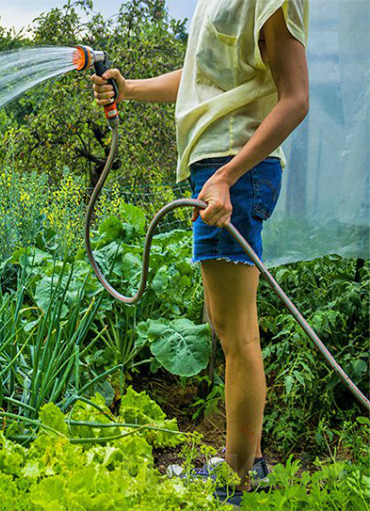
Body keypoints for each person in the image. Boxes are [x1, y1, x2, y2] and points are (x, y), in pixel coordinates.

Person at [91, 0, 309, 505]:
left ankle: (236, 478)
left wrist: (228, 176)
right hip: (216, 166)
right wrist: (130, 88)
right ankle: (247, 460)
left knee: (237, 333)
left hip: (234, 165)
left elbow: (296, 98)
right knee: (229, 323)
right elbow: (199, 79)